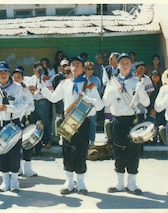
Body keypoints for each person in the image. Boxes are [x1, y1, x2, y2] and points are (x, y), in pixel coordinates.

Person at [39, 56, 104, 195]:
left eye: (78, 65)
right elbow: (54, 97)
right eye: (73, 65)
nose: (74, 67)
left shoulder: (90, 85)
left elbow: (99, 105)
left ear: (83, 68)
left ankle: (80, 181)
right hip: (68, 120)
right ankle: (68, 181)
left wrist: (88, 99)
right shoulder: (64, 83)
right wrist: (41, 88)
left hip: (84, 121)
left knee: (81, 150)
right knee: (67, 150)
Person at [103, 53, 150, 195]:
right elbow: (105, 103)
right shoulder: (112, 82)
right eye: (122, 62)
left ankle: (132, 183)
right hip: (117, 120)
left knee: (133, 151)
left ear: (131, 65)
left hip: (132, 120)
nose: (124, 65)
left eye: (127, 62)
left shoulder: (137, 82)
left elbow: (146, 103)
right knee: (118, 151)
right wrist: (110, 92)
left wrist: (141, 91)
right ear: (117, 65)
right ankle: (119, 183)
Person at [0, 61, 26, 192]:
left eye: (5, 72)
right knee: (2, 153)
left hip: (14, 123)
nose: (3, 75)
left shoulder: (17, 88)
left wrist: (7, 108)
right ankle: (5, 181)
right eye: (0, 73)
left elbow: (22, 107)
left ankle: (14, 180)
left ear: (9, 73)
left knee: (14, 153)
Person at [12, 68, 37, 177]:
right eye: (14, 77)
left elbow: (31, 105)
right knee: (15, 144)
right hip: (14, 119)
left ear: (22, 78)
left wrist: (25, 109)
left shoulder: (26, 90)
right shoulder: (10, 90)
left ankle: (28, 168)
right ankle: (17, 168)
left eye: (19, 76)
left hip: (26, 118)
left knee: (27, 143)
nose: (16, 78)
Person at [26, 61, 54, 154]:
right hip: (33, 102)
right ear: (34, 69)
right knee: (33, 123)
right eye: (37, 68)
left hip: (42, 102)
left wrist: (38, 89)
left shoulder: (46, 78)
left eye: (40, 68)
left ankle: (48, 141)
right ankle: (33, 143)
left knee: (45, 121)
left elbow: (51, 91)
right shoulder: (30, 79)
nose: (39, 70)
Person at [84, 61, 102, 146]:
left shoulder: (96, 79)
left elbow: (98, 92)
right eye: (88, 69)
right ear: (84, 69)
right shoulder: (82, 79)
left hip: (92, 105)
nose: (90, 71)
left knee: (92, 123)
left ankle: (92, 141)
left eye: (92, 69)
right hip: (82, 105)